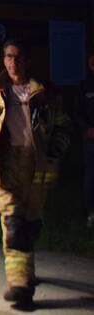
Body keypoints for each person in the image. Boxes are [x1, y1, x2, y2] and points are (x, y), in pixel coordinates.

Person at [0, 38, 70, 310]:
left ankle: (27, 274)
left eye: (19, 57)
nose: (14, 62)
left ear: (28, 60)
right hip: (4, 162)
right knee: (13, 224)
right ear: (3, 59)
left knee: (30, 222)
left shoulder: (43, 92)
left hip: (37, 166)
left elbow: (63, 123)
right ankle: (20, 287)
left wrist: (55, 150)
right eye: (9, 56)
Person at [77, 51, 94, 230]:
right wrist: (86, 129)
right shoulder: (84, 86)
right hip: (90, 140)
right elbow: (78, 112)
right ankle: (91, 213)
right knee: (90, 177)